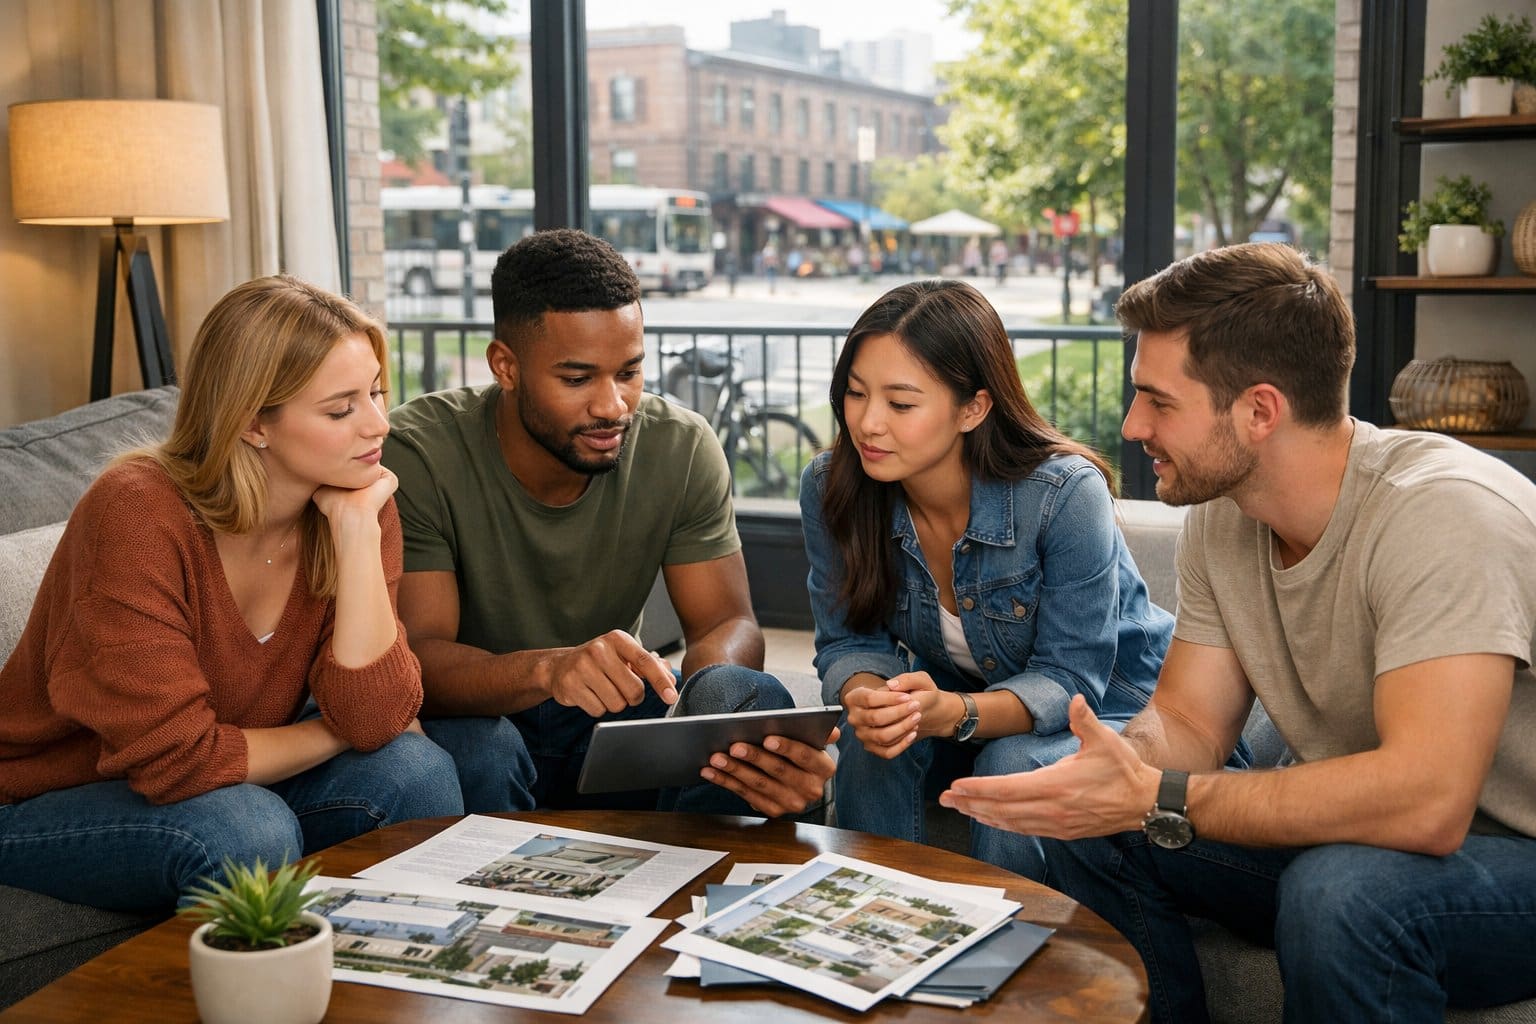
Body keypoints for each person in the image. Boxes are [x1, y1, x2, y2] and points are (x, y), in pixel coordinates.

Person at [940, 242, 1536, 1023]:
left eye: (1159, 401)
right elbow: (1191, 721)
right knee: (1082, 826)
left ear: (1259, 411)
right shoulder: (1228, 516)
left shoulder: (1442, 514)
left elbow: (1427, 804)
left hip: (1505, 858)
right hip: (1351, 835)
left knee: (1344, 892)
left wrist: (1156, 794)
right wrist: (1119, 769)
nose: (1131, 425)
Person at [0, 276, 475, 912]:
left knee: (418, 774)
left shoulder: (359, 501)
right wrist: (337, 733)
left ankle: (402, 985)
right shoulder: (136, 512)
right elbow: (181, 761)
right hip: (45, 798)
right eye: (341, 410)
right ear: (253, 423)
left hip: (229, 773)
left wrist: (359, 538)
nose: (378, 425)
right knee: (247, 829)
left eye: (377, 394)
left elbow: (380, 717)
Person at [385, 228, 835, 818]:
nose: (613, 406)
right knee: (482, 750)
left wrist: (697, 705)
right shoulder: (419, 452)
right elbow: (420, 660)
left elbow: (728, 621)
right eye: (577, 379)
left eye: (628, 372)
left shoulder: (680, 444)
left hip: (613, 711)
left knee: (742, 697)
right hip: (480, 722)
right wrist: (551, 669)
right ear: (506, 366)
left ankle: (705, 899)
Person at [800, 279, 1176, 879]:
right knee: (871, 743)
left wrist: (952, 713)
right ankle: (865, 927)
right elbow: (848, 643)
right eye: (854, 393)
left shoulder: (1062, 495)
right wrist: (872, 701)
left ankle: (1011, 954)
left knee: (1011, 763)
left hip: (1113, 707)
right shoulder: (832, 486)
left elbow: (1068, 678)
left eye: (901, 404)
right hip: (961, 704)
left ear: (973, 408)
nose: (867, 423)